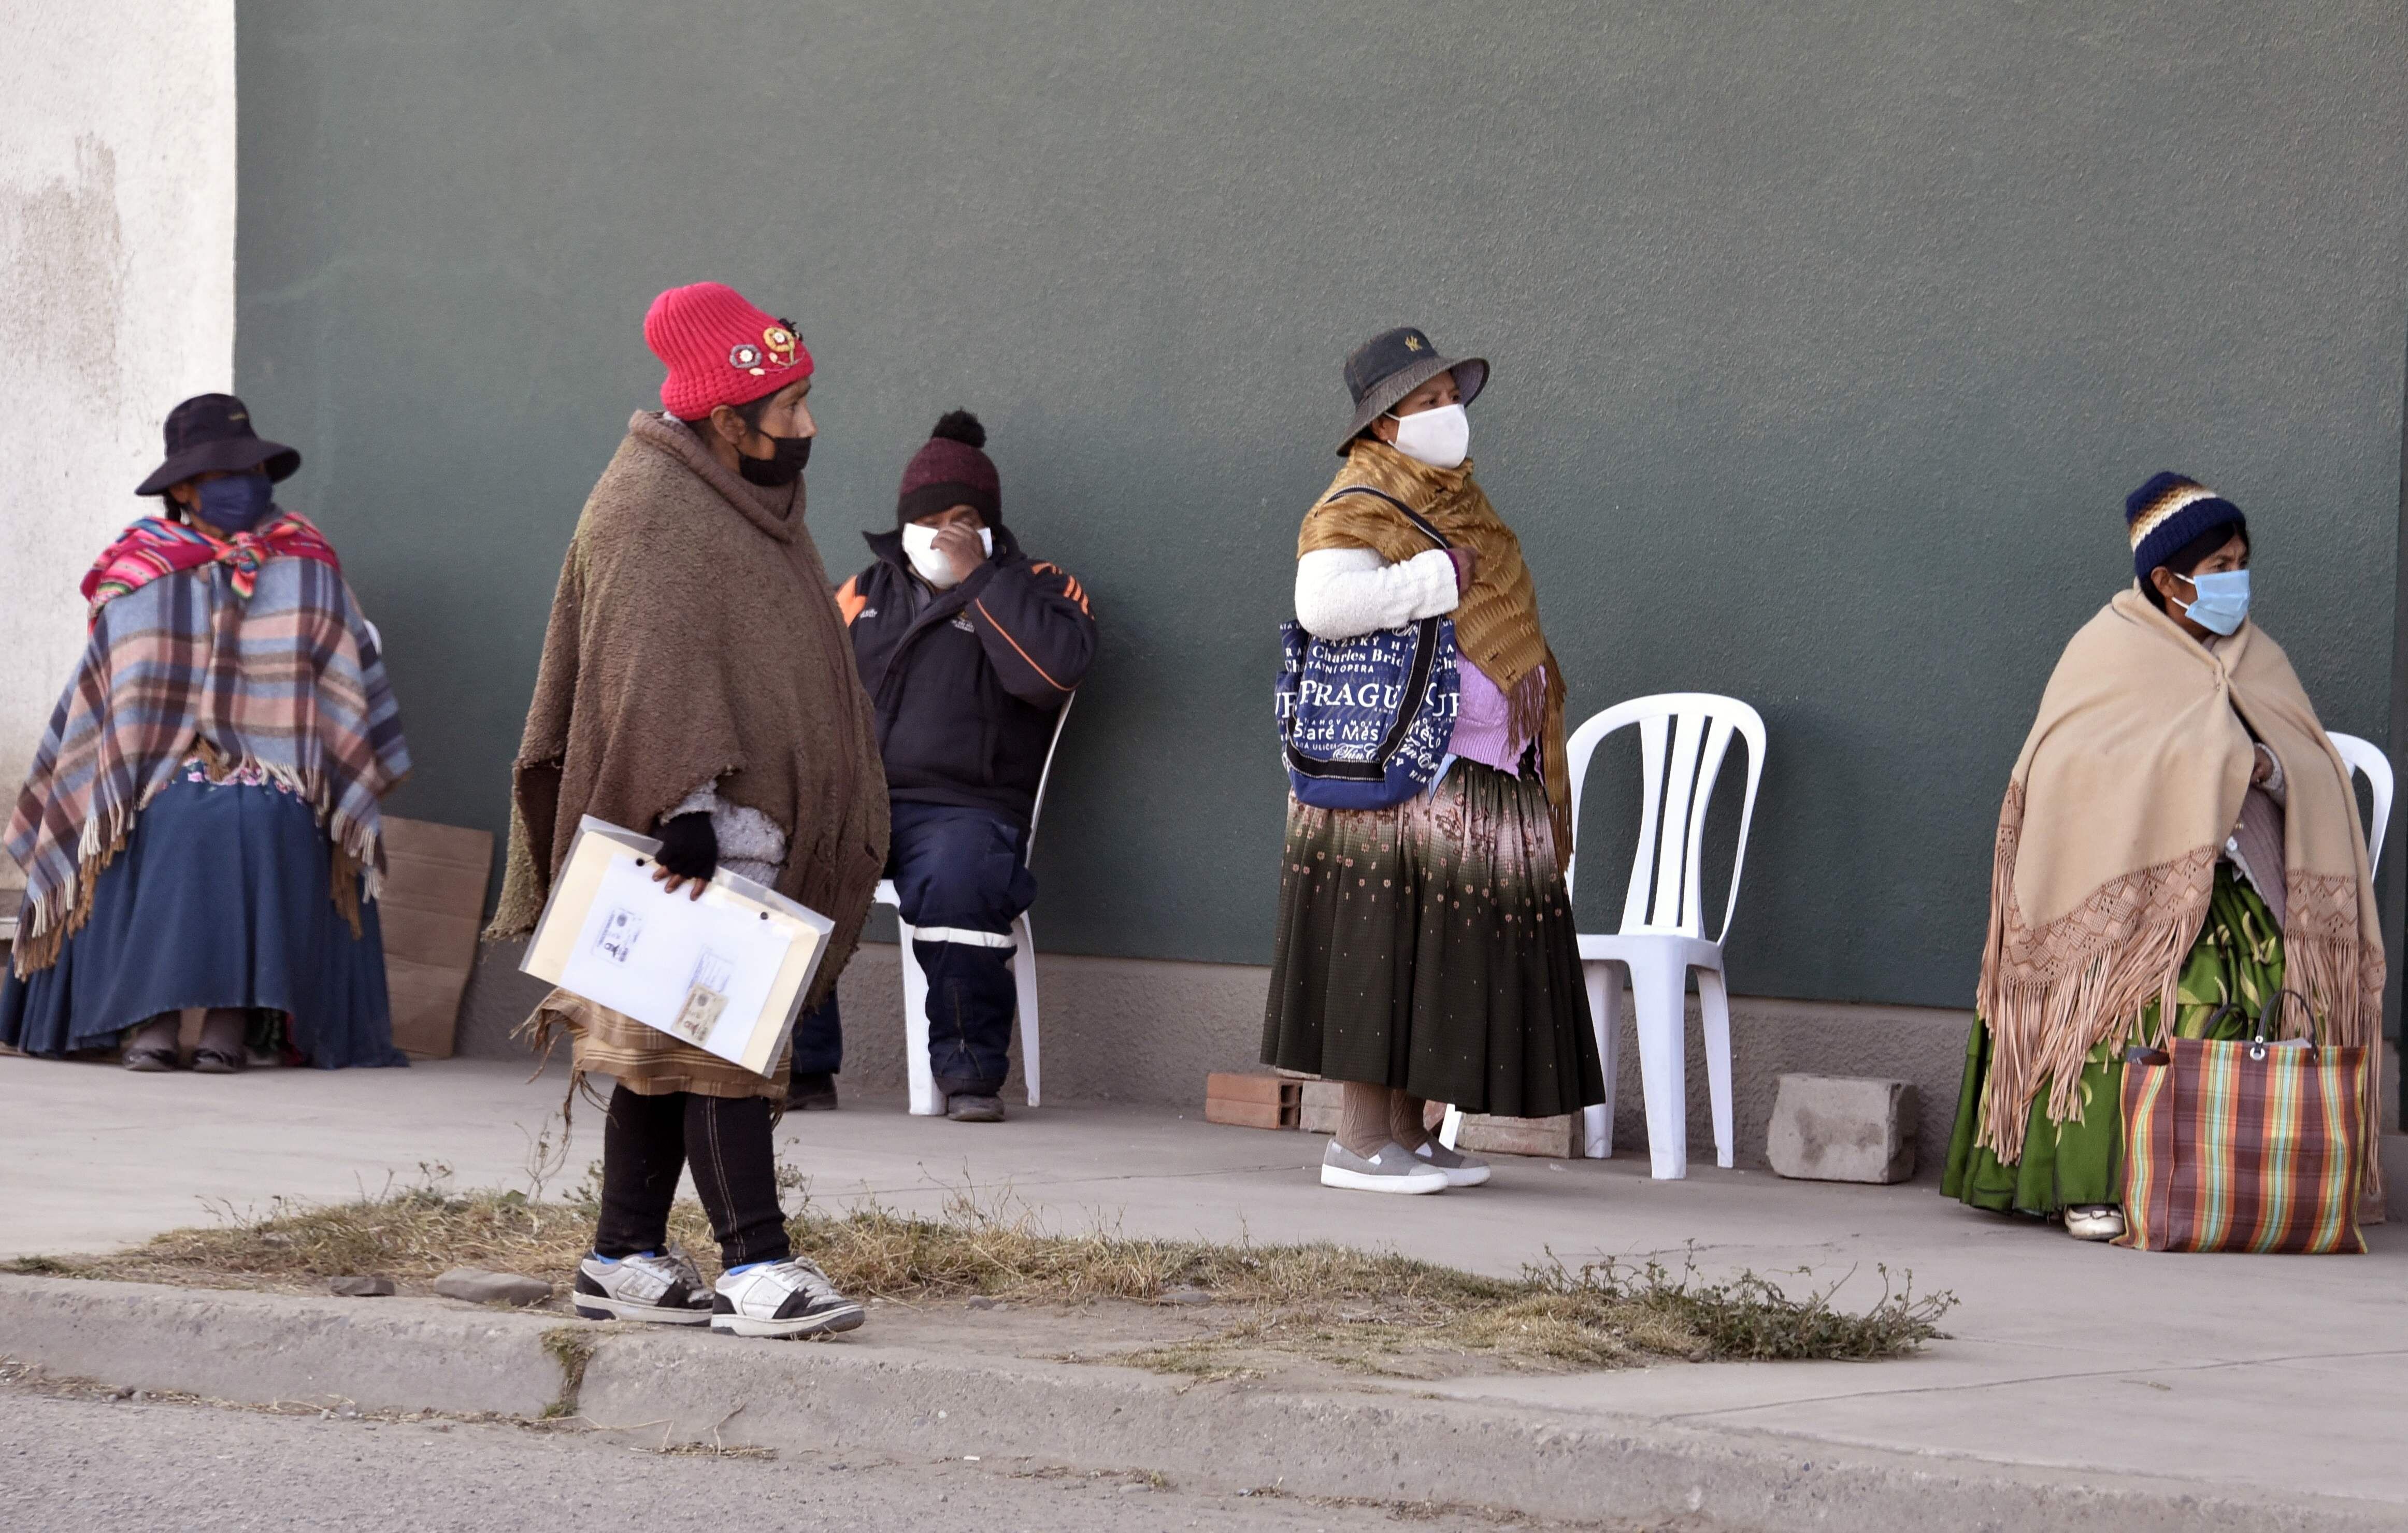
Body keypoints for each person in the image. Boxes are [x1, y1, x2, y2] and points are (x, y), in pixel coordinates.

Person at [488, 281, 888, 1337]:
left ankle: (620, 1254)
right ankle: (756, 1263)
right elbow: (642, 667)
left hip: (744, 832)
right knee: (722, 1053)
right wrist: (685, 805)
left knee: (664, 1062)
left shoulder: (744, 503)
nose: (807, 426)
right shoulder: (650, 507)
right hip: (693, 844)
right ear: (726, 419)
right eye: (788, 408)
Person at [1945, 473, 2385, 1239]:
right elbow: (2068, 770)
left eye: (2242, 562)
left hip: (2240, 887)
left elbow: (2314, 766)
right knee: (2131, 992)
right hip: (2125, 893)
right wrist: (2196, 766)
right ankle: (2093, 1188)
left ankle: (2252, 1191)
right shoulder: (2107, 651)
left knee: (2267, 990)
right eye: (2219, 567)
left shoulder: (2258, 658)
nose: (2236, 580)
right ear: (2166, 580)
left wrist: (2266, 767)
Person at [1261, 327, 1603, 1195]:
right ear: (1384, 423)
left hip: (1467, 775)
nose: (1449, 413)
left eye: (1453, 397)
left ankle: (1408, 1135)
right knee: (1385, 947)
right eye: (1429, 401)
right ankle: (1358, 1142)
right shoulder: (1359, 498)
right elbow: (1324, 604)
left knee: (1439, 957)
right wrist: (1435, 581)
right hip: (1398, 779)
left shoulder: (1461, 500)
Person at [1, 394, 410, 1073]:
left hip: (284, 757)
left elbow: (343, 672)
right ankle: (152, 1020)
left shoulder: (306, 561)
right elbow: (114, 688)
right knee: (175, 815)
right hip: (153, 759)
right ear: (184, 489)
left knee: (264, 814)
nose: (244, 486)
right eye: (223, 476)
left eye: (252, 472)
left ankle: (231, 1022)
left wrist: (268, 751)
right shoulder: (141, 565)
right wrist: (172, 751)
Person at [788, 411, 1095, 1121]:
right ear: (903, 526)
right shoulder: (862, 592)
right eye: (928, 522)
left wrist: (978, 579)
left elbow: (1051, 675)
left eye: (963, 521)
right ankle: (800, 1068)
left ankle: (969, 1076)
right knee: (786, 854)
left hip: (967, 809)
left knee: (961, 877)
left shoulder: (1042, 586)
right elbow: (801, 691)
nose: (943, 535)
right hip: (861, 803)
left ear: (989, 527)